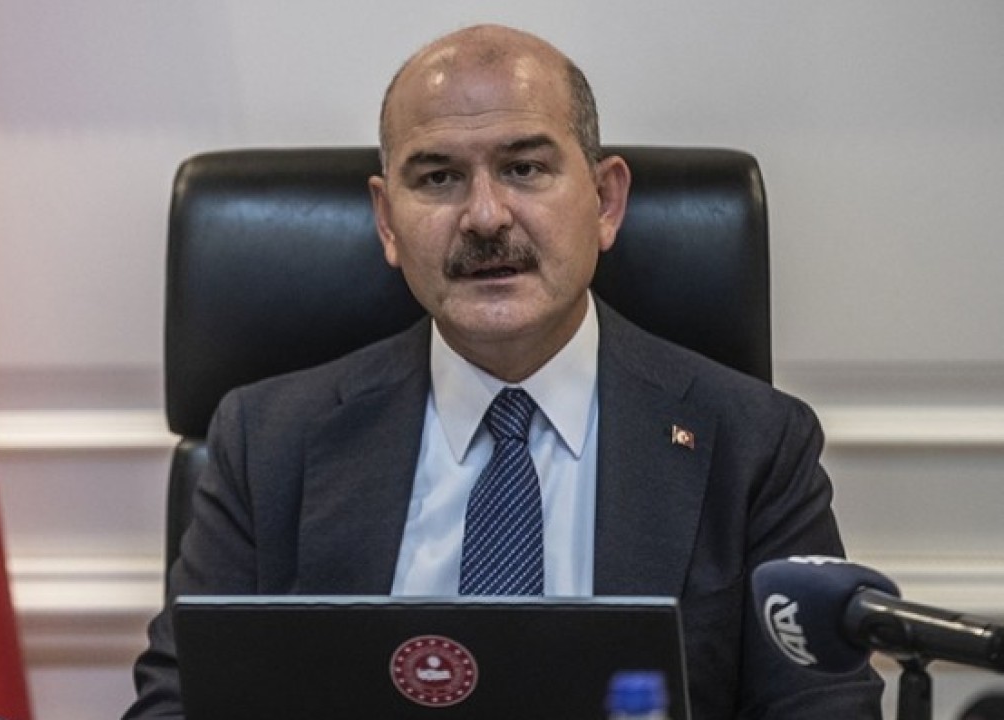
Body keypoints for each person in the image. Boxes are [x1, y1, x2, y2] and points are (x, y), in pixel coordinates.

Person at [124, 24, 883, 719]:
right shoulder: (266, 442)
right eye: (438, 178)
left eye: (524, 168)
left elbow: (823, 712)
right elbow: (175, 707)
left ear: (605, 201)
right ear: (387, 222)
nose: (485, 216)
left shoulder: (754, 446)